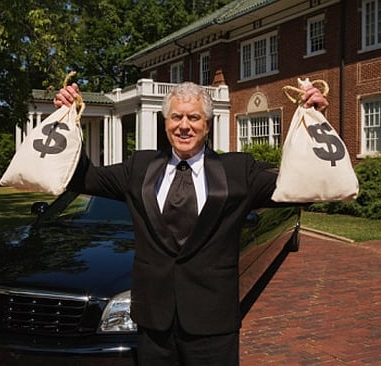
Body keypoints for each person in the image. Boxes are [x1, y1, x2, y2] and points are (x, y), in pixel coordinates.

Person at [54, 81, 328, 366]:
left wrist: (315, 124)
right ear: (166, 123)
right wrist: (66, 121)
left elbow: (305, 188)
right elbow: (82, 178)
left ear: (207, 125)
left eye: (194, 117)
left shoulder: (238, 172)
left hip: (213, 323)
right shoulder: (139, 167)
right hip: (153, 323)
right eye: (176, 117)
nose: (184, 125)